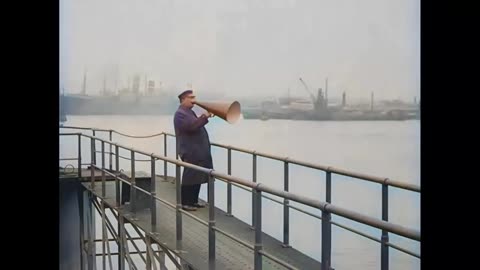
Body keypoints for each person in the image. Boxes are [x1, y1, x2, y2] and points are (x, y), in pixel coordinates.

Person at [173, 90, 214, 211]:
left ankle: (193, 201)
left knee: (198, 175)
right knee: (190, 176)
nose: (194, 100)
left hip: (197, 150)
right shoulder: (180, 114)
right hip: (190, 150)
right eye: (191, 98)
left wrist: (204, 117)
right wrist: (204, 116)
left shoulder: (189, 112)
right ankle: (185, 202)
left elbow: (195, 124)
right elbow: (191, 127)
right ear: (183, 100)